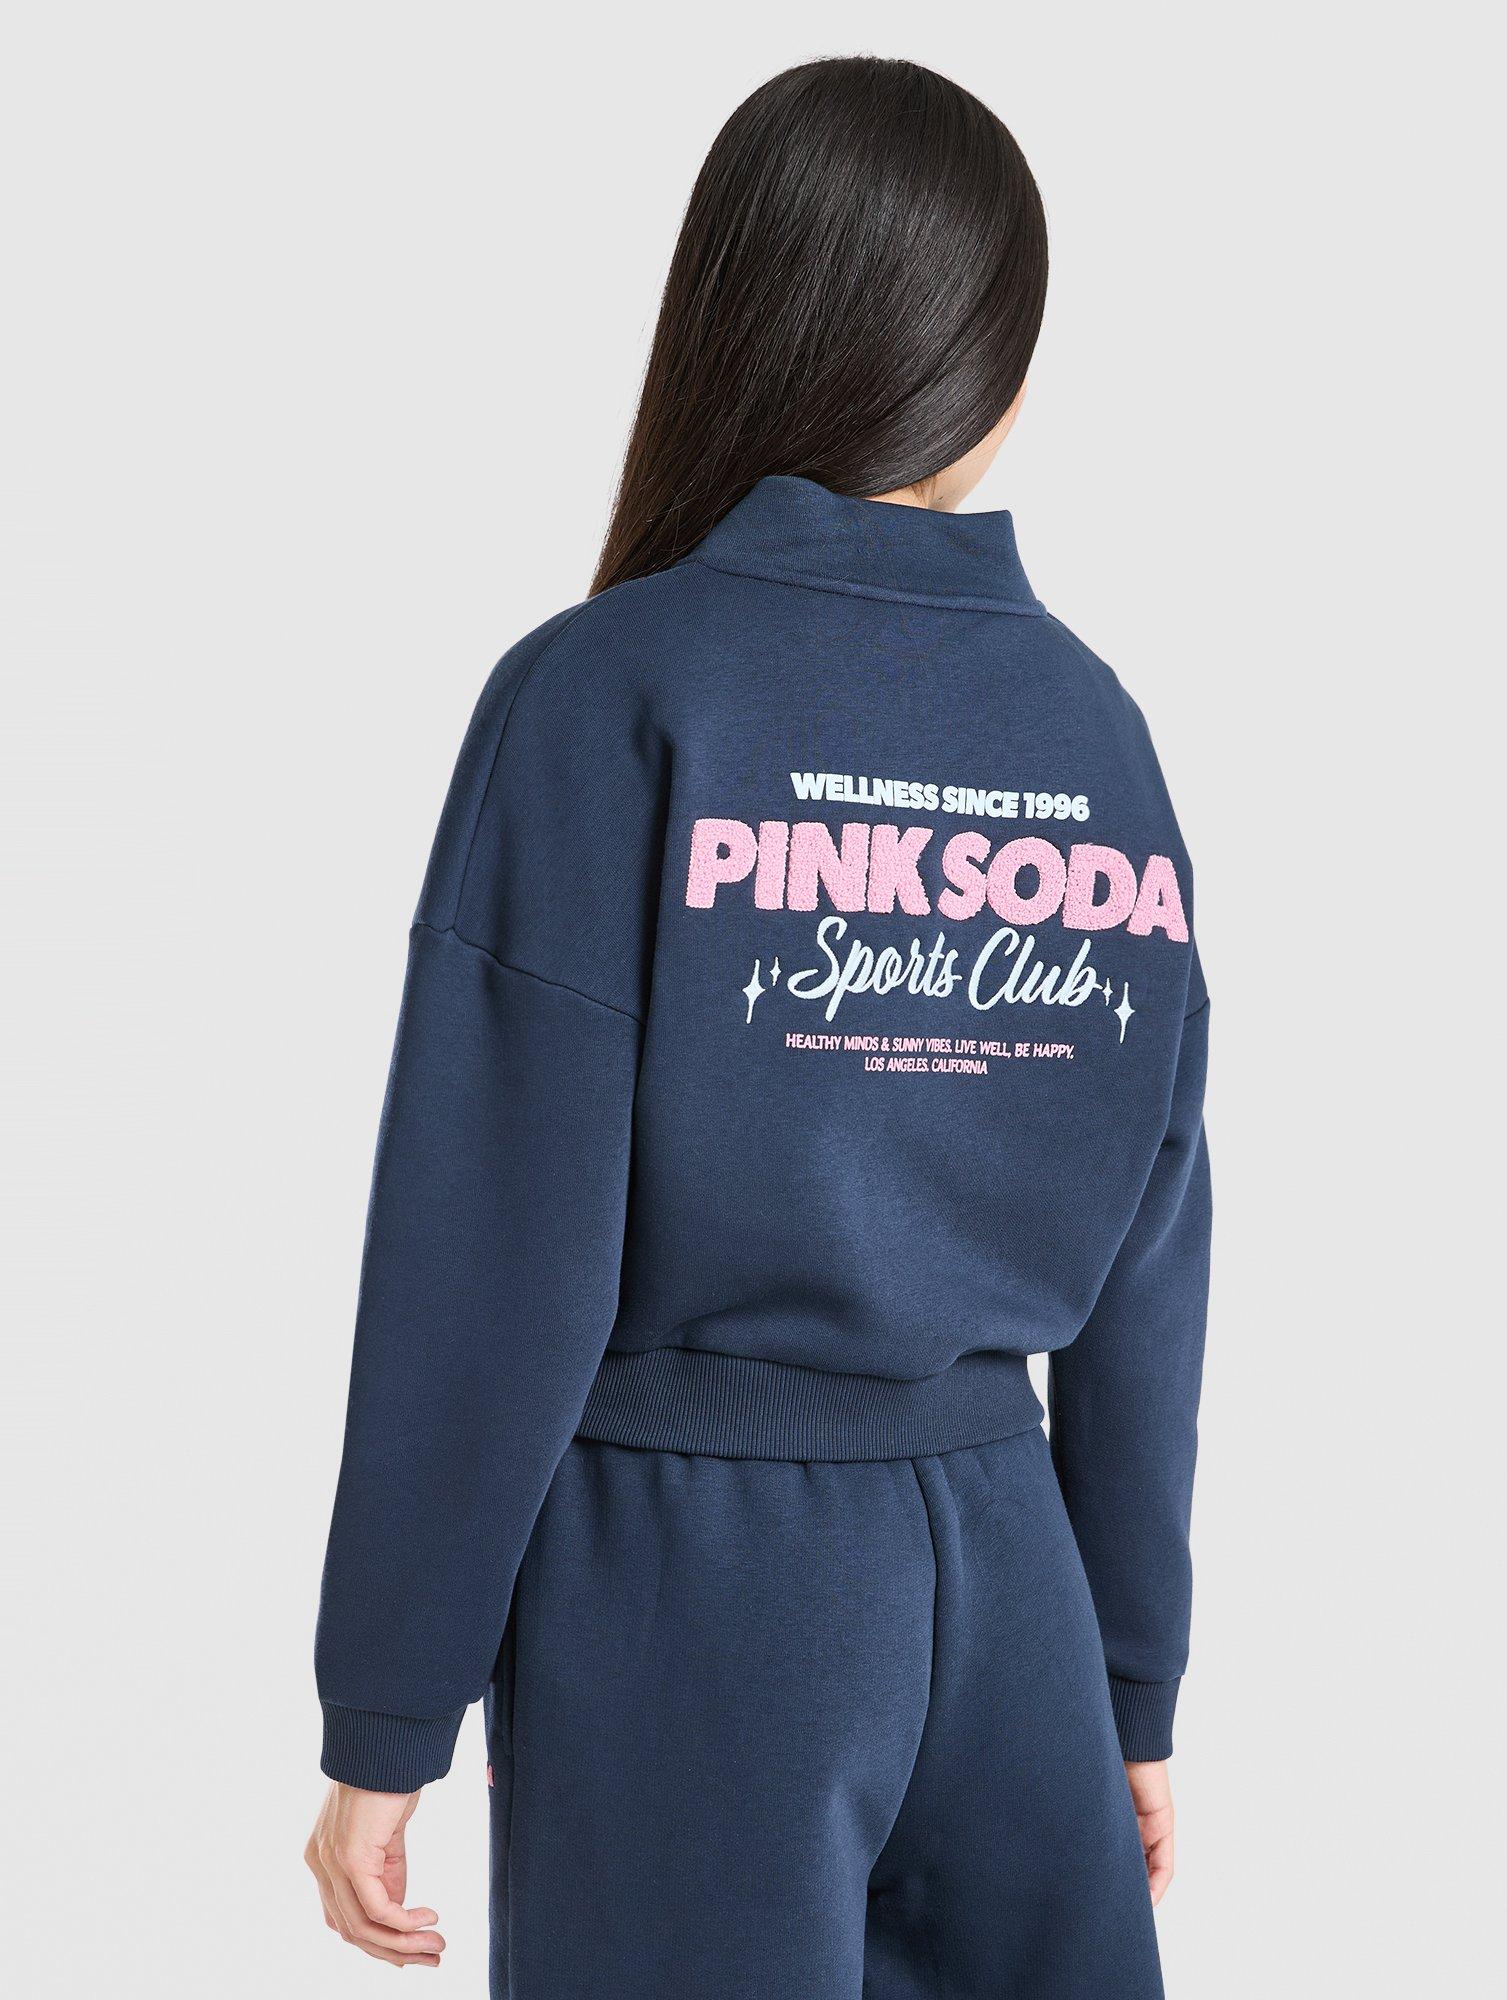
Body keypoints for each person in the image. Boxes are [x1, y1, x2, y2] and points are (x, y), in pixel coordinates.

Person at [305, 54, 1211, 2000]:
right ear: (996, 361)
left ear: (737, 316)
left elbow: (495, 1242)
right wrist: (1127, 1682)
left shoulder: (608, 692)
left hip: (695, 1583)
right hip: (1016, 1584)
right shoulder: (1093, 728)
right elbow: (1154, 1251)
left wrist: (389, 1703)